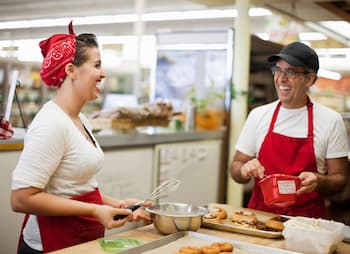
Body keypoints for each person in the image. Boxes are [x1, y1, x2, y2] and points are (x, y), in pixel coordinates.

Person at [11, 21, 151, 254]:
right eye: (97, 65)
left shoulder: (80, 120)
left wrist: (115, 204)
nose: (103, 73)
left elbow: (74, 186)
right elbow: (21, 199)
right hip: (50, 244)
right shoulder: (50, 123)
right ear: (70, 70)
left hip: (80, 238)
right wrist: (95, 211)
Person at [230, 41, 348, 218]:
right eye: (278, 70)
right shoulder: (259, 115)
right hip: (261, 217)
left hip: (307, 222)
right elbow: (235, 167)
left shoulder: (330, 120)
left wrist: (319, 181)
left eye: (290, 72)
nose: (281, 78)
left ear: (309, 79)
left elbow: (340, 179)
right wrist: (244, 169)